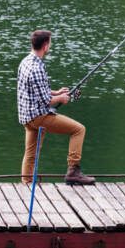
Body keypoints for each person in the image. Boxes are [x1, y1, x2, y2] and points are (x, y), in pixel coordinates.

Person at [17, 30, 95, 186]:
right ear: (45, 46)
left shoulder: (25, 62)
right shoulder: (37, 68)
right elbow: (45, 100)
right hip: (38, 116)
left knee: (30, 153)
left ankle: (26, 183)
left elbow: (36, 90)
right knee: (79, 130)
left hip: (26, 117)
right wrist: (61, 98)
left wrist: (56, 92)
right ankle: (73, 172)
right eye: (50, 43)